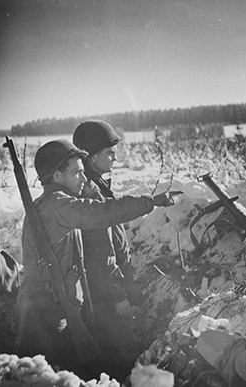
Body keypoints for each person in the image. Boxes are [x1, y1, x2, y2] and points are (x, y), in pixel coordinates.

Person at [16, 139, 179, 374]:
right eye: (77, 173)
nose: (83, 179)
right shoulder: (57, 206)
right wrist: (150, 201)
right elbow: (102, 212)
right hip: (47, 319)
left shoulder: (52, 204)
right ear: (57, 176)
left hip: (52, 310)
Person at [72, 120, 147, 370]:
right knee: (124, 361)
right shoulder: (91, 193)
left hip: (104, 295)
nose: (115, 158)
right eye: (109, 152)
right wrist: (119, 297)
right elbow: (102, 256)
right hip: (106, 301)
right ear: (92, 158)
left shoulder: (97, 187)